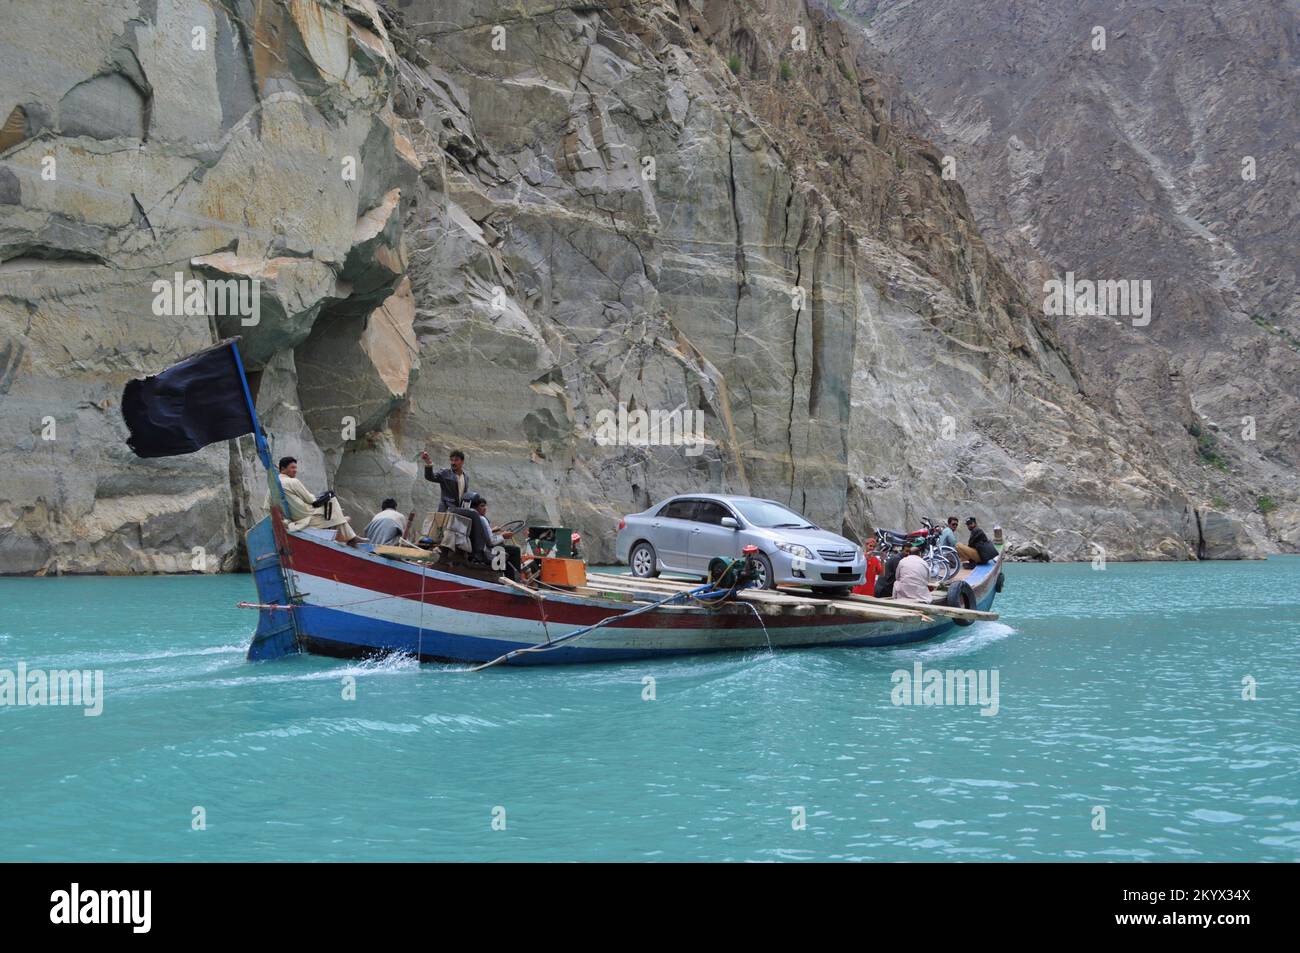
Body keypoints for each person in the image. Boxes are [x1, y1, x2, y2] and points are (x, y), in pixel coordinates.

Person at [268, 456, 358, 545]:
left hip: (291, 517)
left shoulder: (271, 487)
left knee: (336, 513)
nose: (295, 470)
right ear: (283, 468)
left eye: (295, 468)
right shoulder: (293, 482)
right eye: (292, 467)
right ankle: (349, 534)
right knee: (332, 500)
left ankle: (343, 525)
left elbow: (267, 506)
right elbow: (310, 499)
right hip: (305, 517)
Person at [471, 496, 522, 578]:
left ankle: (507, 575)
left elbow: (480, 533)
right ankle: (514, 578)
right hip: (486, 550)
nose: (485, 508)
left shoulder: (474, 517)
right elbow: (491, 542)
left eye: (485, 506)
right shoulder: (482, 519)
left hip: (480, 547)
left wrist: (492, 530)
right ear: (475, 507)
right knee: (515, 550)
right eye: (482, 506)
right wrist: (503, 536)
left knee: (505, 548)